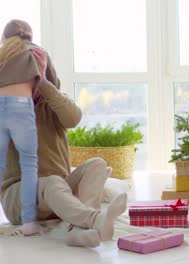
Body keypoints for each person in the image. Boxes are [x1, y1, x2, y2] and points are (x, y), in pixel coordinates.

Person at [0, 20, 127, 247]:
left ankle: (78, 229)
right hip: (20, 196)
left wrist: (45, 85)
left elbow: (74, 118)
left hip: (58, 189)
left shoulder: (52, 103)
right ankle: (94, 220)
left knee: (97, 164)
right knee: (51, 183)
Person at [0, 19, 41, 236]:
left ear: (4, 37)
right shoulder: (34, 53)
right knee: (29, 165)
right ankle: (28, 223)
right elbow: (45, 85)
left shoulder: (1, 54)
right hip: (21, 108)